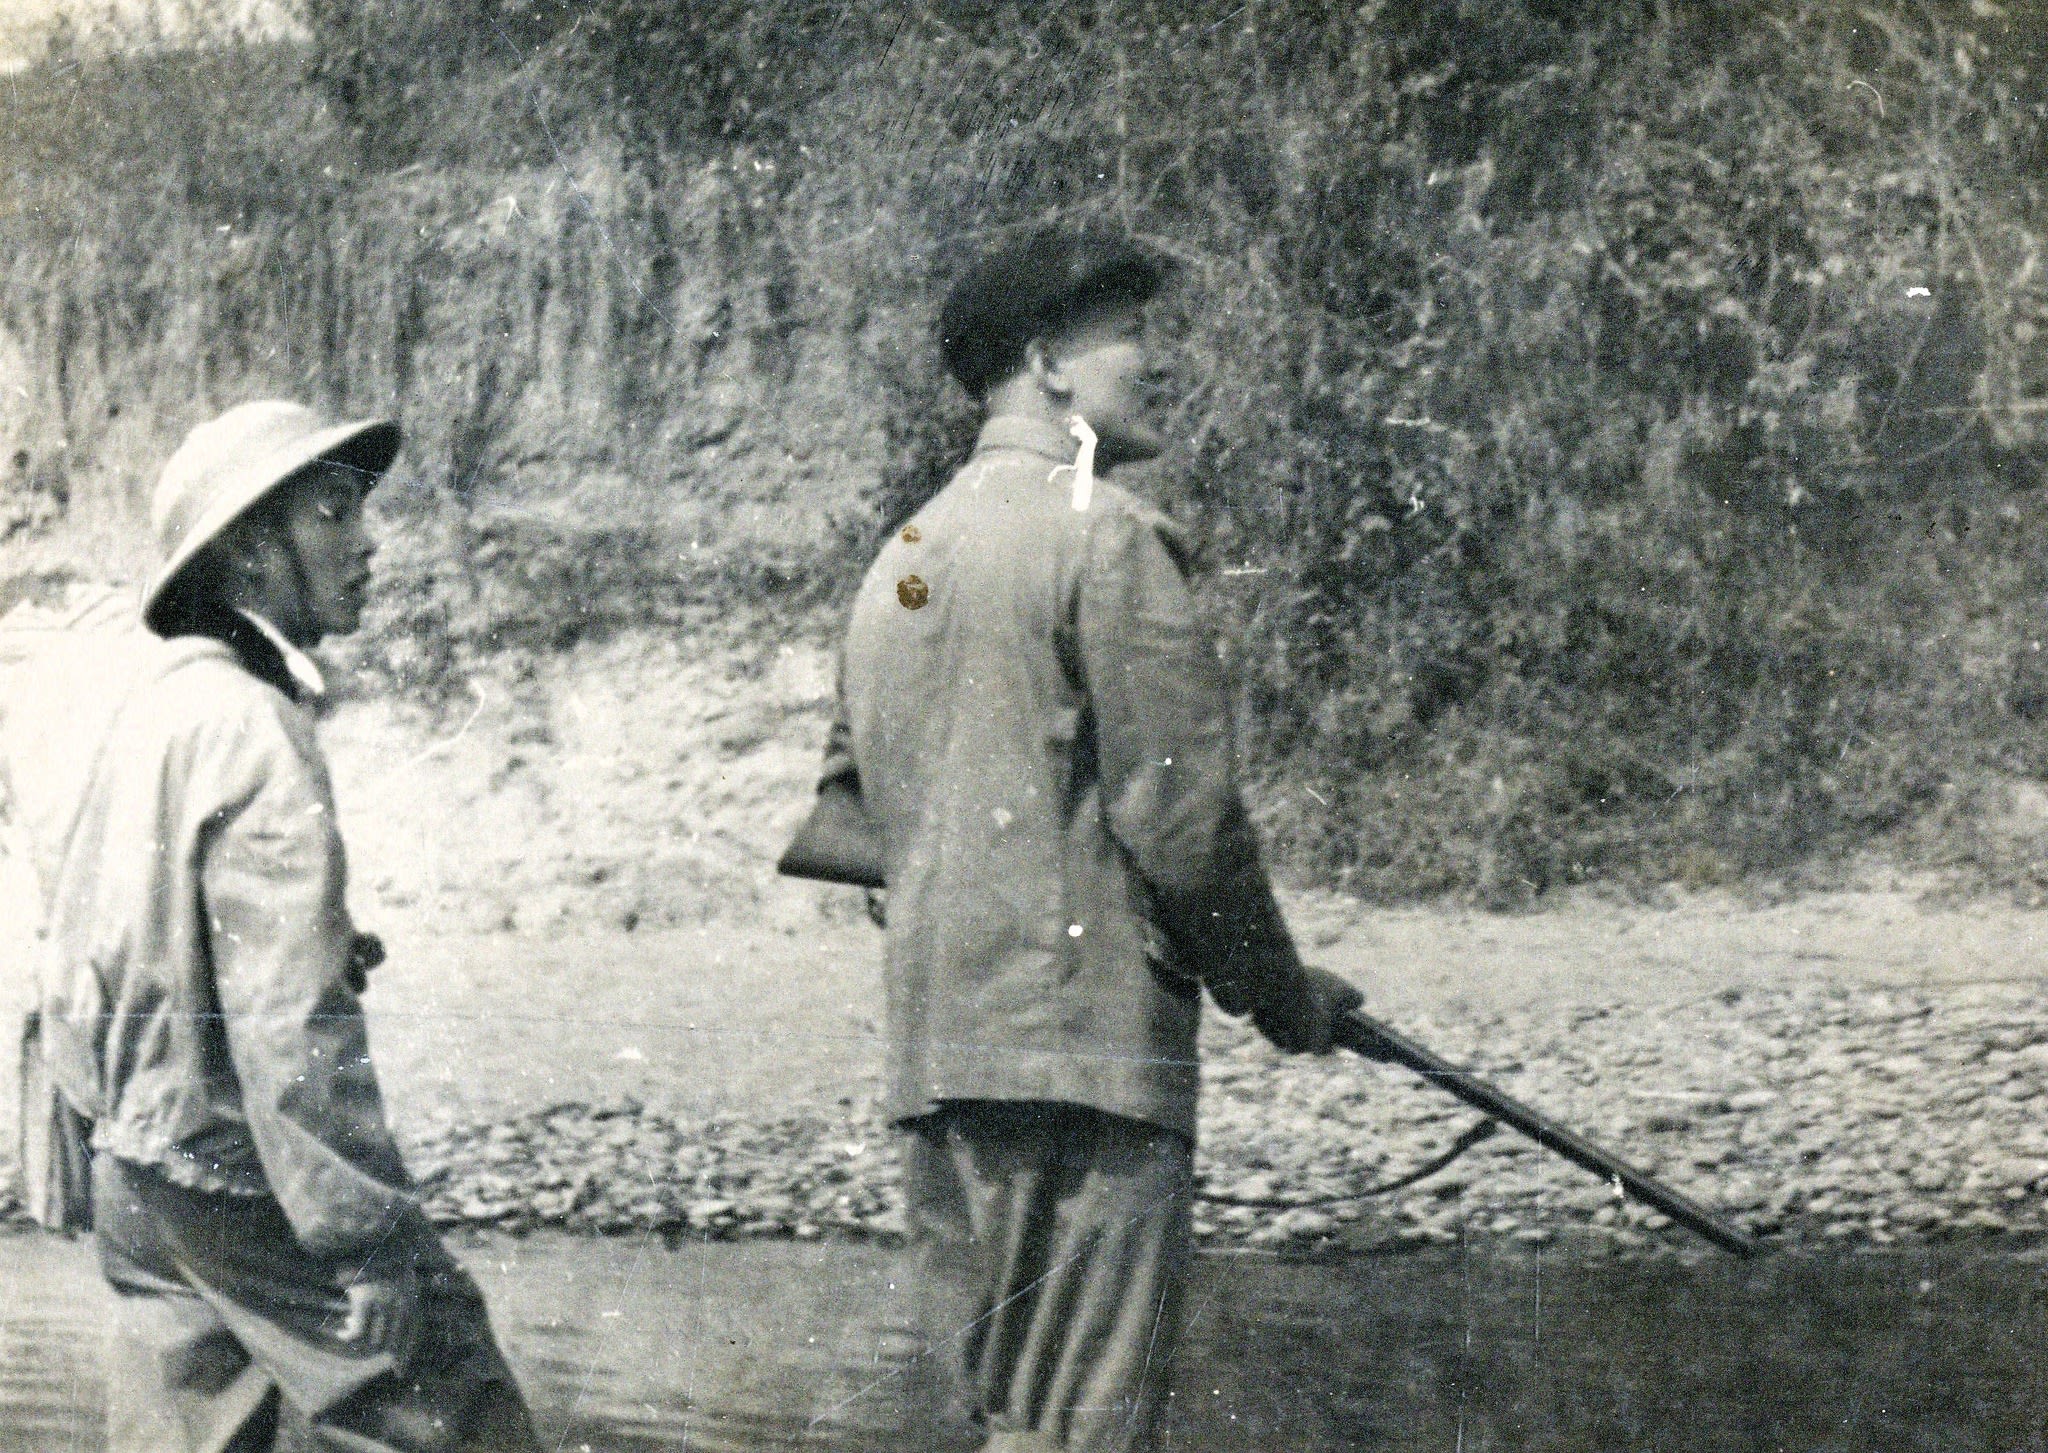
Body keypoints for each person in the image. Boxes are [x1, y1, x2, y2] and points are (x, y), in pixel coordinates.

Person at [791, 227, 1364, 1452]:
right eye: (1132, 336)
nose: (1159, 361)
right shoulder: (1106, 536)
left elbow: (850, 819)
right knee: (1083, 1433)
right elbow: (1185, 826)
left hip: (938, 1068)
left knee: (1011, 1422)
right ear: (1048, 362)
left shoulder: (900, 558)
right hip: (1087, 1066)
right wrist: (1279, 994)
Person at [36, 401, 539, 1452]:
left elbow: (93, 933)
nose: (367, 543)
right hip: (236, 1171)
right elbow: (288, 1014)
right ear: (249, 551)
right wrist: (363, 1235)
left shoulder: (154, 707)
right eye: (333, 513)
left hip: (135, 1167)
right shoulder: (254, 727)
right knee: (455, 1408)